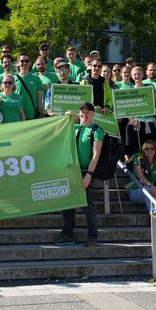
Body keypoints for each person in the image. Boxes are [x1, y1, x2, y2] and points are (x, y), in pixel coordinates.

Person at [56, 102, 102, 248]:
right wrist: (65, 116)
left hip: (84, 171)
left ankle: (93, 236)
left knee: (87, 204)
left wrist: (89, 174)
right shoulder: (75, 128)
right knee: (68, 204)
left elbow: (96, 155)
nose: (84, 114)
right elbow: (57, 130)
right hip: (71, 170)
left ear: (93, 114)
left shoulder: (97, 131)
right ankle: (67, 234)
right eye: (82, 112)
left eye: (87, 112)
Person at [126, 66, 156, 158]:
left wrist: (151, 93)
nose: (137, 76)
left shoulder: (149, 87)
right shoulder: (129, 91)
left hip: (148, 123)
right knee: (135, 150)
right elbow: (126, 110)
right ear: (132, 76)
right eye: (135, 74)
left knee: (150, 150)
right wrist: (132, 121)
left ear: (143, 75)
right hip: (135, 124)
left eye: (139, 74)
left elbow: (155, 103)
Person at [14, 53, 44, 120]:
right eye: (22, 61)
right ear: (18, 63)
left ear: (30, 63)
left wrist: (40, 114)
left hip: (32, 115)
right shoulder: (13, 79)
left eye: (27, 61)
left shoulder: (36, 78)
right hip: (17, 115)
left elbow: (39, 99)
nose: (24, 63)